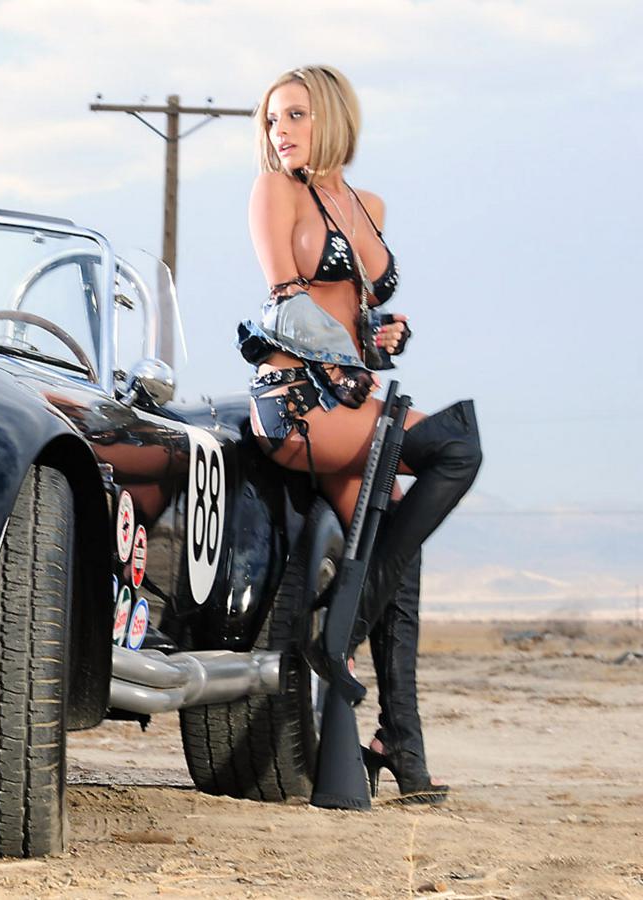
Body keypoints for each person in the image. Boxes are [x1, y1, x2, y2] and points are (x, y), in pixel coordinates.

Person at [236, 65, 482, 804]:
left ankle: (400, 745)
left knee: (400, 554)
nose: (280, 130)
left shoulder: (368, 207)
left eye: (296, 115)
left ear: (334, 117)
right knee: (457, 446)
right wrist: (348, 354)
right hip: (299, 402)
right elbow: (285, 302)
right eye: (273, 118)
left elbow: (351, 313)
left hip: (351, 396)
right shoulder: (275, 190)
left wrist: (379, 336)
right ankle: (340, 632)